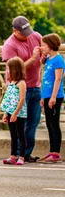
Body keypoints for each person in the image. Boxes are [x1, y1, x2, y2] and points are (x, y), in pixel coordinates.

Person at [2, 16, 42, 162]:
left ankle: (26, 154)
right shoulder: (9, 45)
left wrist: (43, 58)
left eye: (28, 31)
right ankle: (17, 154)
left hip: (36, 87)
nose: (27, 35)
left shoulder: (35, 36)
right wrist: (33, 59)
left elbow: (43, 53)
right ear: (14, 31)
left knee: (33, 122)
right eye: (23, 33)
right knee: (18, 126)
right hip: (18, 89)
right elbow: (15, 71)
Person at [37, 34, 64, 163]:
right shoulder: (48, 59)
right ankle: (51, 151)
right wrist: (44, 97)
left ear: (51, 45)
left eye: (43, 45)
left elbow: (58, 79)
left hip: (55, 96)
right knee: (49, 124)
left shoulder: (58, 60)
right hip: (47, 96)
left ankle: (56, 152)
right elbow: (46, 79)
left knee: (54, 123)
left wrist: (53, 97)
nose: (41, 47)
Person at [0, 57, 27, 165]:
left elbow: (22, 99)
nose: (7, 71)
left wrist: (15, 113)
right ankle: (13, 155)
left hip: (19, 113)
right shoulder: (11, 82)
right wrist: (6, 113)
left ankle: (22, 156)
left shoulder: (21, 83)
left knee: (21, 134)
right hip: (10, 112)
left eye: (8, 69)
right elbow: (8, 99)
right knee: (13, 135)